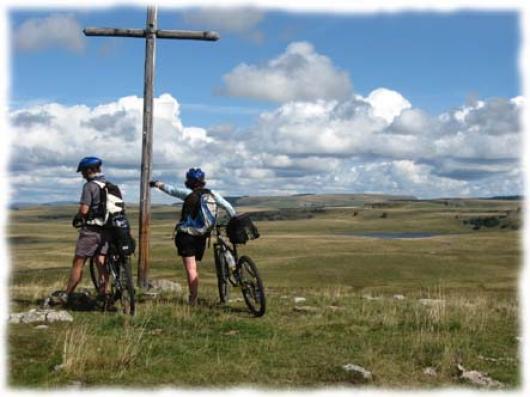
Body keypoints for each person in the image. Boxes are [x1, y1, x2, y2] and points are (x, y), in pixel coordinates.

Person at [150, 168, 236, 305]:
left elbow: (170, 190)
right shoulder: (212, 194)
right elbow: (229, 207)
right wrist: (234, 221)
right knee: (194, 267)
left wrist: (156, 184)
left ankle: (193, 299)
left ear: (189, 182)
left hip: (187, 235)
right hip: (203, 235)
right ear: (203, 181)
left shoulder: (188, 193)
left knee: (191, 268)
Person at [52, 156, 112, 309]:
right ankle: (105, 295)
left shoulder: (90, 186)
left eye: (83, 172)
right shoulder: (110, 185)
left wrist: (78, 217)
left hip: (91, 230)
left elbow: (84, 210)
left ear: (90, 170)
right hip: (108, 230)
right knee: (101, 262)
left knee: (78, 262)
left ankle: (67, 294)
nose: (83, 176)